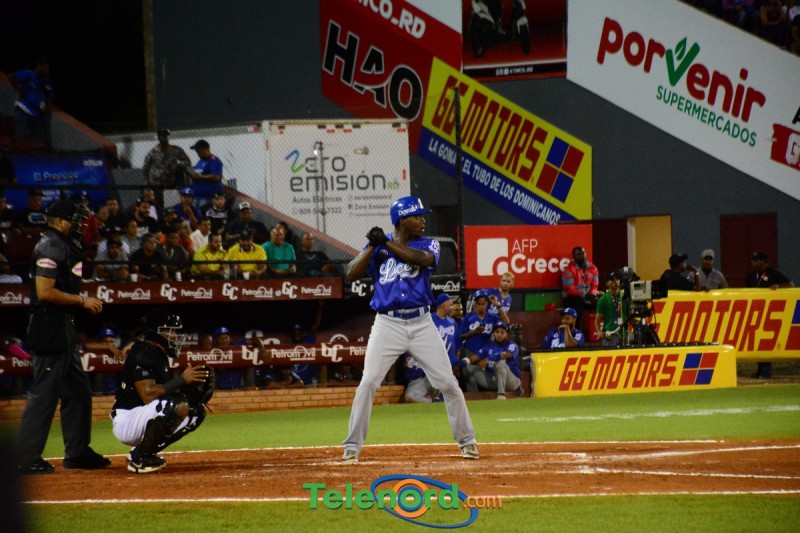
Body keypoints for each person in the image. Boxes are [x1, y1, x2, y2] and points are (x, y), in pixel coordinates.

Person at [341, 196, 478, 463]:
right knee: (368, 382)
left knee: (447, 383)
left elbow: (422, 259)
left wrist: (386, 244)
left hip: (421, 323)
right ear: (402, 220)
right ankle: (352, 446)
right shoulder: (379, 247)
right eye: (417, 216)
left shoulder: (428, 243)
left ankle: (467, 441)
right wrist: (372, 246)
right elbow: (351, 273)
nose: (423, 220)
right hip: (387, 324)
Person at [16, 199, 109, 474]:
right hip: (49, 328)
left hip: (63, 328)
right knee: (44, 394)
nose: (80, 226)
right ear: (59, 221)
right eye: (75, 220)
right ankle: (25, 457)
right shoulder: (51, 245)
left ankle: (77, 453)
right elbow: (45, 291)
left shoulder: (64, 244)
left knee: (79, 391)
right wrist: (81, 300)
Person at [111, 314, 211, 474]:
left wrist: (188, 391)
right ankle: (139, 459)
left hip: (143, 416)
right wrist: (182, 380)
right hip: (128, 419)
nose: (174, 336)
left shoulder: (158, 353)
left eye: (175, 331)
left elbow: (162, 391)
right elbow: (148, 395)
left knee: (195, 411)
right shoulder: (143, 352)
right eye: (170, 331)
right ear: (155, 332)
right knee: (175, 405)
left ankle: (142, 452)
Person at [745, 251, 794, 379]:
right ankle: (760, 370)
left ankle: (766, 371)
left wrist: (778, 286)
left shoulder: (773, 273)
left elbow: (790, 285)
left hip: (770, 314)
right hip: (756, 313)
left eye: (756, 260)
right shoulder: (752, 276)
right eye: (752, 260)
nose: (753, 263)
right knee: (758, 342)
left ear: (764, 262)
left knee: (765, 342)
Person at [142, 128, 192, 213]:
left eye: (166, 136)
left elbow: (187, 162)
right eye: (162, 136)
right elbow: (146, 168)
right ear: (159, 137)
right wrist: (146, 185)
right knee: (158, 207)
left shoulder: (176, 150)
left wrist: (178, 165)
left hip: (170, 184)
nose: (165, 138)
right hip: (156, 185)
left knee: (170, 208)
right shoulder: (153, 152)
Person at [9, 57, 54, 145]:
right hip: (23, 109)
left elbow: (47, 98)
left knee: (37, 140)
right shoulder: (29, 74)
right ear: (39, 66)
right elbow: (11, 76)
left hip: (37, 114)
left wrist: (45, 107)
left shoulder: (47, 82)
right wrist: (19, 89)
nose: (47, 69)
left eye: (48, 67)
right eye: (45, 66)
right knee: (20, 137)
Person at [482, 322, 524, 400]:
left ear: (506, 334)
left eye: (502, 332)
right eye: (497, 332)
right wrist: (466, 361)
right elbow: (476, 357)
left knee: (501, 362)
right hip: (494, 379)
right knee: (470, 369)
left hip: (512, 380)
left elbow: (507, 354)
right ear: (493, 334)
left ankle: (501, 395)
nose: (499, 335)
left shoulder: (512, 345)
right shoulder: (489, 346)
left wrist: (490, 358)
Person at [431, 293, 463, 387]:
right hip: (436, 365)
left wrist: (457, 362)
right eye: (450, 304)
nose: (452, 307)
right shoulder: (430, 320)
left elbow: (458, 343)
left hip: (452, 365)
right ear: (443, 304)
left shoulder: (452, 322)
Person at [561, 246, 599, 324]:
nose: (581, 256)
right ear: (573, 257)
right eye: (578, 254)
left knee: (601, 299)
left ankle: (600, 326)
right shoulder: (568, 270)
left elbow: (595, 285)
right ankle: (576, 327)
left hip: (588, 296)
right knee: (578, 301)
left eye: (583, 253)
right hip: (572, 298)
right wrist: (585, 296)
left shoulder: (593, 268)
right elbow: (571, 290)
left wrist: (592, 295)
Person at [460, 289, 499, 360]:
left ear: (487, 303)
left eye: (483, 304)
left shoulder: (492, 317)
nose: (481, 306)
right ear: (475, 303)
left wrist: (497, 306)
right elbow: (461, 336)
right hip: (470, 350)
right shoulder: (468, 317)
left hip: (486, 351)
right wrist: (474, 333)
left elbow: (507, 322)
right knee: (469, 366)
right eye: (478, 304)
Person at [594, 271, 629, 347]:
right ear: (607, 283)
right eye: (612, 280)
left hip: (624, 334)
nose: (615, 282)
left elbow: (630, 315)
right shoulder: (603, 299)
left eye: (617, 279)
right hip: (609, 334)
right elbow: (597, 320)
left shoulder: (625, 297)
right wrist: (599, 331)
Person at [188, 140, 223, 208]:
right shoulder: (201, 161)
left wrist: (199, 177)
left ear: (206, 149)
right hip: (197, 196)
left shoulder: (214, 161)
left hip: (208, 198)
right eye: (197, 152)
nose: (198, 154)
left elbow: (216, 177)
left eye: (199, 152)